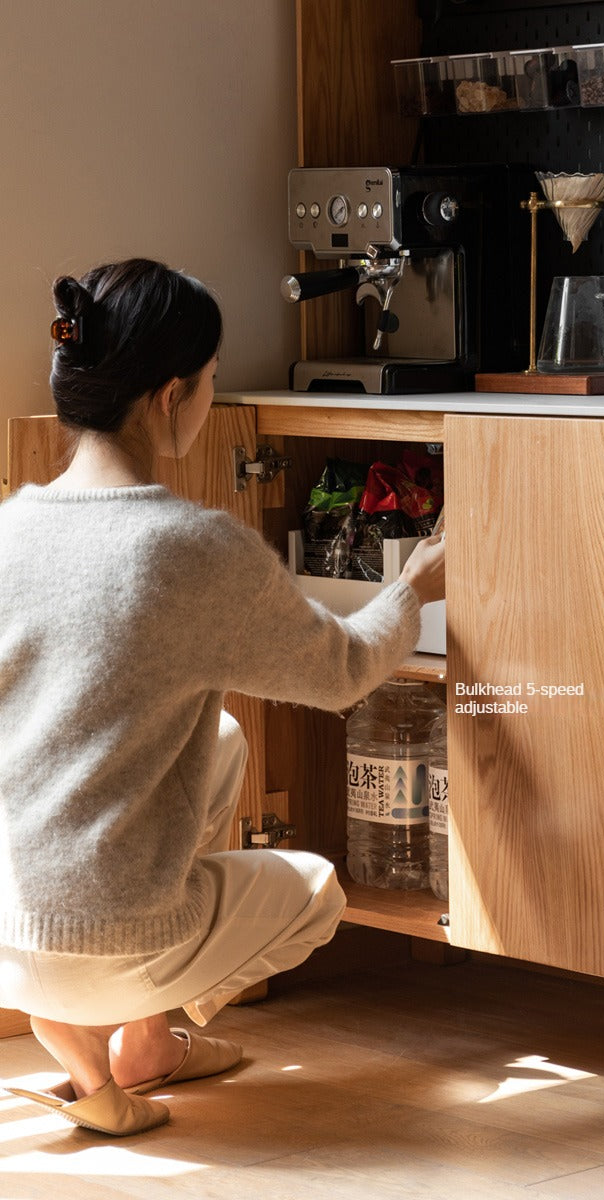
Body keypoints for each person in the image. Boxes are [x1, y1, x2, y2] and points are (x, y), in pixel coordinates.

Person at [0, 258, 445, 1136]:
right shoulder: (189, 548)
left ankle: (137, 1045)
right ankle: (105, 1052)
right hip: (110, 936)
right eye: (208, 382)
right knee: (319, 891)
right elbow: (344, 671)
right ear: (170, 396)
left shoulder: (12, 526)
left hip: (8, 928)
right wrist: (415, 589)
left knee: (225, 739)